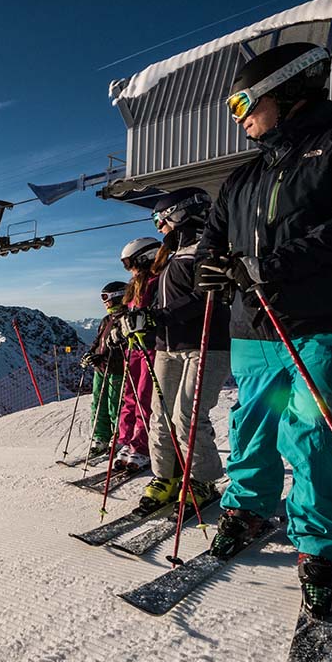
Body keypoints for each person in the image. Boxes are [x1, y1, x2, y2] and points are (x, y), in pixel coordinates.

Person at [194, 42, 332, 618]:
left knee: (315, 429)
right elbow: (213, 241)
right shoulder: (242, 178)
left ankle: (325, 549)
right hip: (255, 324)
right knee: (252, 421)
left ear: (287, 90)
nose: (238, 116)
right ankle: (249, 506)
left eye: (243, 102)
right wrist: (212, 270)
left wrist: (268, 267)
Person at [121, 188, 231, 513]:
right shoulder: (170, 259)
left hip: (206, 346)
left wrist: (156, 316)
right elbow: (164, 305)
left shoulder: (205, 250)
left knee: (187, 418)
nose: (158, 227)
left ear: (179, 213)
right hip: (167, 348)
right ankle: (166, 477)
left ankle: (202, 480)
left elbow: (204, 298)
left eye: (159, 218)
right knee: (160, 417)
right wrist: (142, 322)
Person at [112, 237, 161, 475]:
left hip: (150, 347)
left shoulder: (156, 282)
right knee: (129, 396)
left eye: (129, 262)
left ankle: (141, 445)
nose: (128, 268)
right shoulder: (135, 285)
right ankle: (127, 440)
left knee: (144, 397)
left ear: (145, 257)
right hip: (133, 347)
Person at [79, 281, 129, 460]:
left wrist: (102, 357)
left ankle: (119, 438)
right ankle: (101, 438)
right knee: (97, 403)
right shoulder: (107, 320)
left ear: (118, 296)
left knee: (114, 405)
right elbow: (98, 341)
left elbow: (123, 347)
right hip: (101, 369)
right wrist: (91, 354)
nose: (104, 302)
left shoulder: (127, 318)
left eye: (106, 297)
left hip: (116, 369)